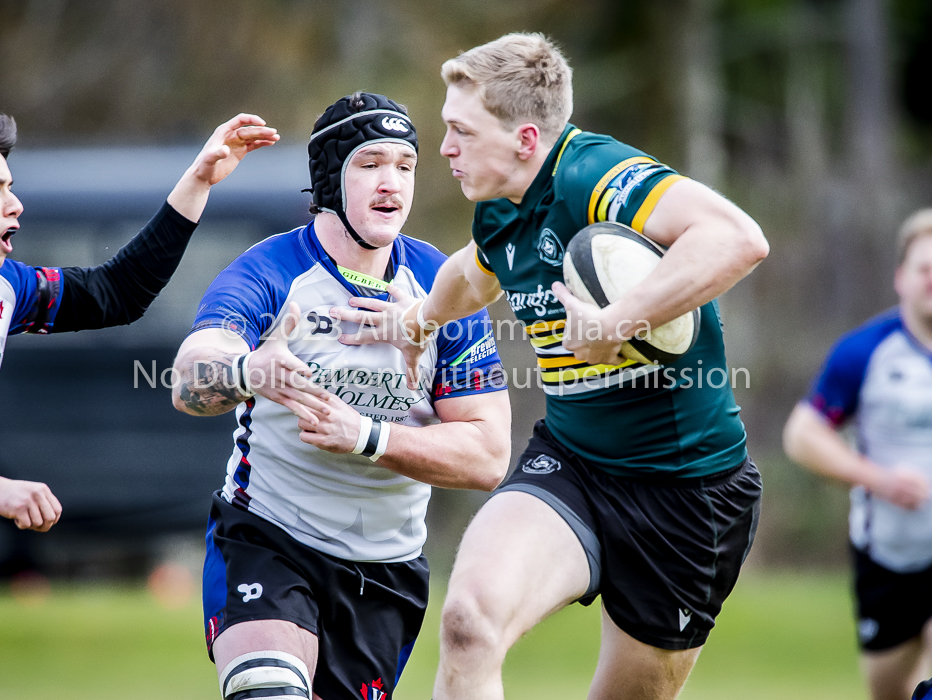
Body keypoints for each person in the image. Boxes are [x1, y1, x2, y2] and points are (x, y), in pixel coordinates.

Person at [333, 34, 770, 699]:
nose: (443, 148)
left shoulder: (589, 174)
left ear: (526, 139)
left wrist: (618, 322)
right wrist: (416, 322)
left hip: (687, 497)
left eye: (460, 131)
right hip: (573, 463)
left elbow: (738, 239)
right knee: (469, 624)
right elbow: (474, 275)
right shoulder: (500, 207)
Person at [171, 92, 511, 700]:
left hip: (385, 572)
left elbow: (487, 455)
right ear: (330, 175)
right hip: (269, 538)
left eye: (405, 166)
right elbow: (190, 375)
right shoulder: (273, 270)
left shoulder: (442, 287)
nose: (392, 183)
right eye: (371, 163)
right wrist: (248, 371)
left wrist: (366, 436)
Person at [0, 99, 279, 700]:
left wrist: (198, 181)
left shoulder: (0, 289)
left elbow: (115, 294)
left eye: (12, 187)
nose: (14, 204)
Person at [783, 210, 932, 700]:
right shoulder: (865, 352)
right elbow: (802, 436)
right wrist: (879, 479)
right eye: (924, 268)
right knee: (889, 688)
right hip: (887, 551)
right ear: (901, 278)